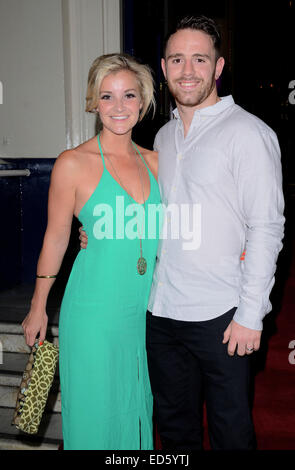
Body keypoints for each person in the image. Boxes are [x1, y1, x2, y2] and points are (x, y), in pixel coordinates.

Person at [80, 16, 285, 450]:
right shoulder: (165, 137)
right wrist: (98, 235)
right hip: (162, 312)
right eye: (177, 59)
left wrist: (252, 313)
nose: (187, 70)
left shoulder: (248, 133)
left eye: (199, 59)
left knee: (231, 432)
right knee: (175, 431)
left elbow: (267, 227)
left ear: (219, 66)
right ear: (163, 66)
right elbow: (152, 213)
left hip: (222, 315)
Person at [21, 53, 162, 450]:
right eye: (107, 97)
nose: (118, 107)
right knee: (96, 415)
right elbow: (56, 237)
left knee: (138, 410)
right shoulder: (73, 163)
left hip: (145, 313)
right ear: (93, 102)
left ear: (143, 101)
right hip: (93, 312)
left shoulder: (159, 162)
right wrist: (38, 305)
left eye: (129, 95)